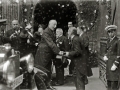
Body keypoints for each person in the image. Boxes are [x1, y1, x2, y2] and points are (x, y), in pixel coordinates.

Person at [35, 20, 63, 90]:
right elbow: (51, 43)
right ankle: (42, 87)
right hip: (43, 55)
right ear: (49, 24)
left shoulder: (50, 31)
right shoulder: (46, 32)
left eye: (56, 25)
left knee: (48, 71)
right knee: (42, 70)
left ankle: (48, 85)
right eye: (54, 25)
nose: (55, 26)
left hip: (47, 54)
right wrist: (58, 52)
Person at [103, 25, 120, 90]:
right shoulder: (108, 41)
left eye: (112, 32)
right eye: (109, 32)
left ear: (115, 32)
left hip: (114, 65)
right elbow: (106, 50)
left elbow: (119, 54)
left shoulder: (118, 41)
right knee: (109, 83)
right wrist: (105, 55)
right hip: (109, 63)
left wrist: (115, 64)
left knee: (114, 83)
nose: (110, 33)